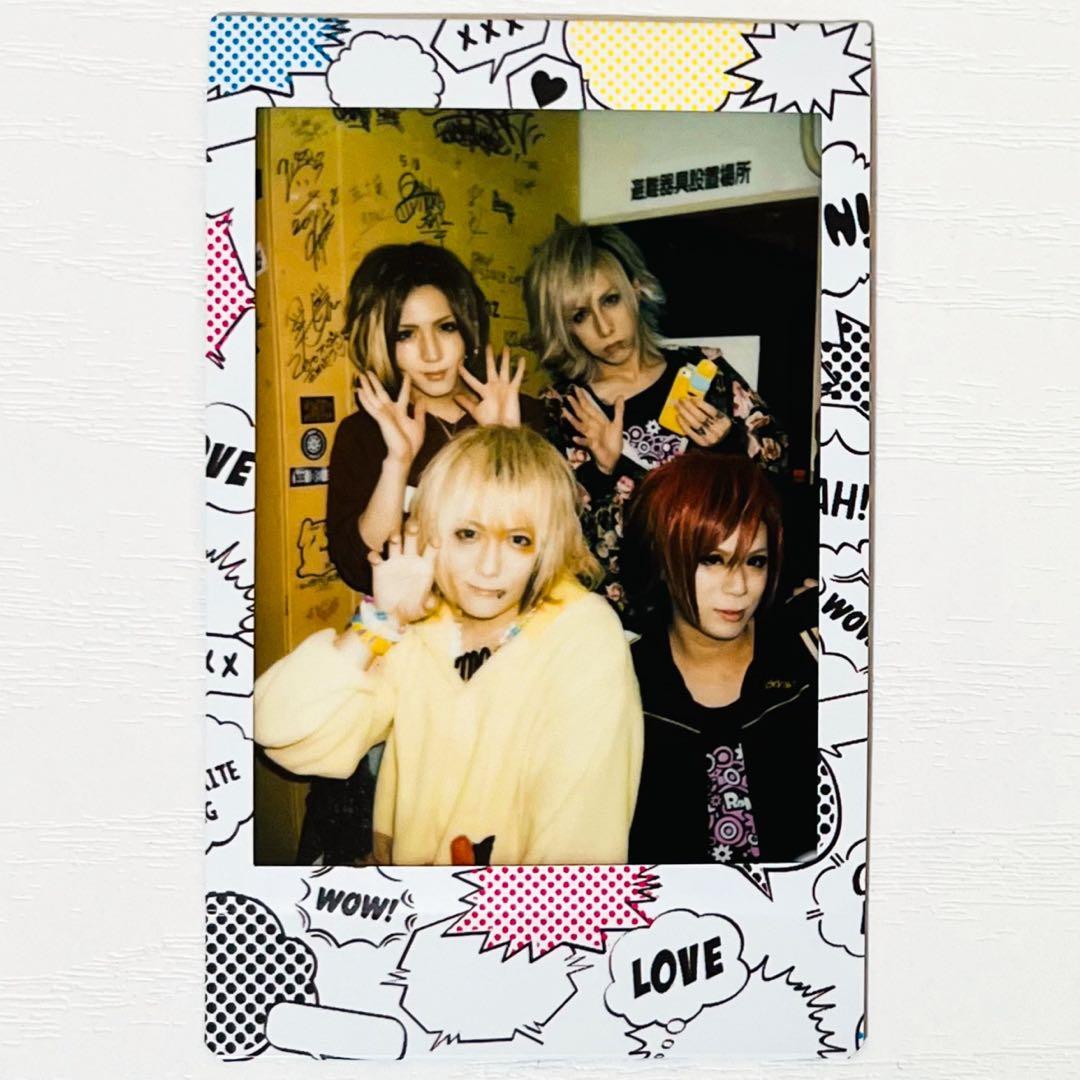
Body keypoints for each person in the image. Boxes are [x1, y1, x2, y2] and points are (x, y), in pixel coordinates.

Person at [256, 426, 644, 867]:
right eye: (467, 534)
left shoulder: (582, 633)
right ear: (431, 531)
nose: (489, 567)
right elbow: (284, 731)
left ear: (549, 545)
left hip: (508, 909)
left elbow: (578, 853)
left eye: (519, 540)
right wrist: (378, 622)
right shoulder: (428, 624)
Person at [523, 223, 788, 619]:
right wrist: (605, 472)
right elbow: (579, 553)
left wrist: (729, 446)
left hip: (728, 602)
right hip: (631, 623)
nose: (604, 328)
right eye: (580, 315)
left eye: (610, 300)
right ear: (564, 328)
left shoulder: (702, 369)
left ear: (636, 289)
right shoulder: (567, 408)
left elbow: (777, 481)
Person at [621, 452, 818, 865]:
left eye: (756, 562)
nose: (739, 586)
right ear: (662, 559)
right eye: (712, 560)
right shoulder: (620, 687)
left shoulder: (811, 667)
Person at [326, 242, 542, 595]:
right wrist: (397, 463)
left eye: (446, 327)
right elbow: (359, 568)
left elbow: (551, 544)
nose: (431, 352)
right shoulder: (363, 433)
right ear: (381, 343)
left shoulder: (524, 414)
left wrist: (506, 442)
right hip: (416, 621)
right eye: (406, 334)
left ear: (468, 327)